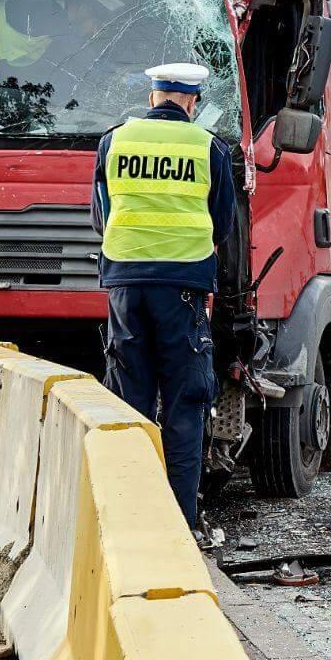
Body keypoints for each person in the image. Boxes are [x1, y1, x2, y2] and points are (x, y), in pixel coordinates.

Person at [91, 62, 238, 543]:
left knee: (128, 399)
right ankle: (178, 524)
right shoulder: (207, 146)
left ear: (153, 97)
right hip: (184, 289)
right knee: (184, 402)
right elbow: (222, 225)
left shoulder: (115, 142)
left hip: (125, 288)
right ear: (191, 101)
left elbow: (102, 216)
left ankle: (128, 518)